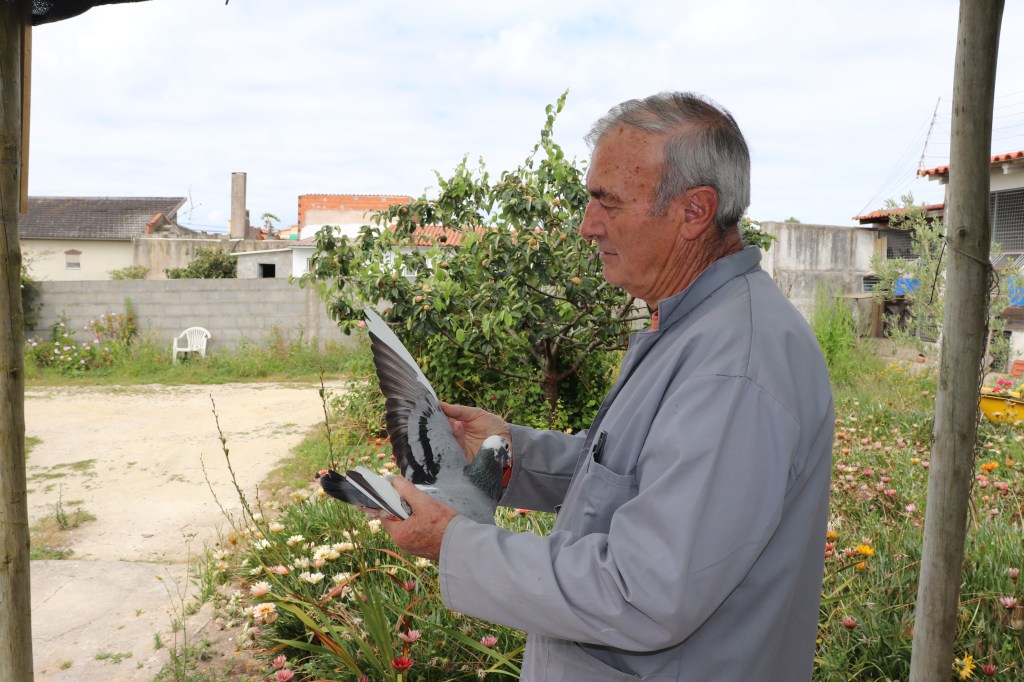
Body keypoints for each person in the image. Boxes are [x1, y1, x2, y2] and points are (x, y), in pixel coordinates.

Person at [382, 91, 834, 681]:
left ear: (695, 211)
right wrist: (509, 451)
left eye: (608, 202)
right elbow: (633, 474)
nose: (587, 226)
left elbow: (642, 592)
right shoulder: (694, 326)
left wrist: (452, 542)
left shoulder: (735, 369)